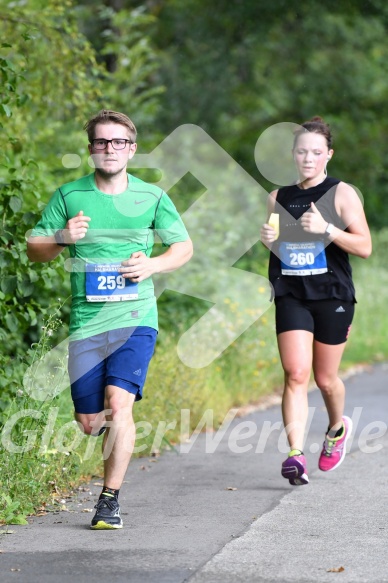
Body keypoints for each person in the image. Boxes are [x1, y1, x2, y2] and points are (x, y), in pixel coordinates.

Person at [27, 109, 193, 528]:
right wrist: (63, 237)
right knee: (88, 422)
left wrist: (152, 266)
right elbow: (35, 248)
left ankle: (109, 499)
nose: (110, 149)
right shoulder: (70, 195)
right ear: (91, 150)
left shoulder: (151, 197)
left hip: (136, 316)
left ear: (132, 149)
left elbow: (182, 248)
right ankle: (105, 432)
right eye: (102, 142)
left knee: (121, 405)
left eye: (118, 142)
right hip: (87, 322)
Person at [260, 116, 371, 486]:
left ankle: (336, 428)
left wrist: (327, 228)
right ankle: (295, 454)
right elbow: (283, 246)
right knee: (295, 374)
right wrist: (269, 241)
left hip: (333, 295)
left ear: (328, 156)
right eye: (302, 151)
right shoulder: (279, 197)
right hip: (292, 292)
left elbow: (365, 247)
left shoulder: (341, 194)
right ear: (293, 155)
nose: (308, 158)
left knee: (325, 380)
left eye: (316, 152)